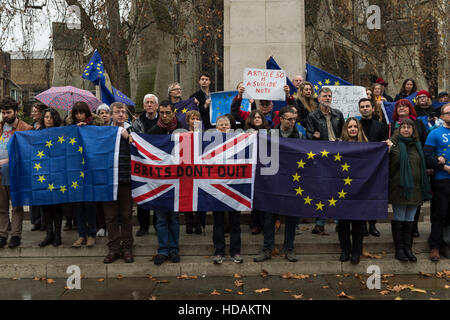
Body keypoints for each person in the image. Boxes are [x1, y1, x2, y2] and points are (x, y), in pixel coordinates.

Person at [254, 107, 303, 263]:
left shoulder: (299, 136)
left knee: (291, 218)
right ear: (281, 119)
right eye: (289, 119)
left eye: (294, 119)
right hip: (273, 183)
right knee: (269, 218)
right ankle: (267, 248)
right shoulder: (270, 135)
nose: (292, 122)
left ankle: (289, 248)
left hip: (292, 182)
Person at [385, 118, 431, 262]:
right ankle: (399, 249)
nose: (406, 129)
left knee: (410, 219)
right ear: (399, 129)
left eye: (409, 127)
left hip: (415, 188)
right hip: (399, 187)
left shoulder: (417, 145)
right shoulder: (393, 143)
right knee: (400, 218)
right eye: (403, 127)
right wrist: (387, 148)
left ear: (413, 130)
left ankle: (408, 248)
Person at [150, 100, 184, 265]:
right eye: (161, 112)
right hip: (160, 181)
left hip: (178, 181)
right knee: (161, 218)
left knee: (174, 218)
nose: (164, 116)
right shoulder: (153, 131)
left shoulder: (182, 129)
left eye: (167, 112)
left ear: (173, 113)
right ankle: (163, 250)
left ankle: (174, 249)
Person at [306, 87, 344, 234]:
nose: (327, 98)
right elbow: (309, 136)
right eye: (324, 96)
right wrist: (313, 135)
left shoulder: (338, 114)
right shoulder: (312, 116)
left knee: (337, 190)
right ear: (319, 98)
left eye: (329, 96)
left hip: (337, 156)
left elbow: (344, 132)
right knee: (321, 190)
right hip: (321, 158)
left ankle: (338, 221)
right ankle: (320, 222)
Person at [103, 102, 134, 263]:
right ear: (111, 115)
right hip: (108, 181)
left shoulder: (133, 130)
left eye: (123, 112)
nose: (121, 114)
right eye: (117, 112)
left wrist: (127, 137)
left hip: (125, 180)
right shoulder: (104, 132)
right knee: (110, 217)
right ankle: (113, 248)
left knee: (126, 215)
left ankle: (127, 247)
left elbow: (139, 150)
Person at [0, 97, 33, 248]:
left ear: (16, 111)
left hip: (16, 175)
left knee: (17, 206)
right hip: (1, 176)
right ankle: (2, 234)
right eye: (3, 113)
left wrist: (8, 161)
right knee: (1, 207)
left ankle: (15, 235)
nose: (5, 115)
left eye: (8, 112)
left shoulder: (25, 128)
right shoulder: (0, 127)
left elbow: (28, 154)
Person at [211, 116, 244, 264]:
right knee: (218, 221)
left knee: (235, 221)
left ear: (231, 127)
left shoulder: (239, 141)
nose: (224, 127)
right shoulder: (209, 142)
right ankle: (219, 252)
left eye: (226, 125)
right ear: (215, 127)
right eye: (220, 125)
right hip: (216, 186)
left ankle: (235, 251)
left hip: (234, 186)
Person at [338, 117, 368, 264]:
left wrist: (385, 146)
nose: (353, 129)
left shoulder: (367, 146)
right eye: (350, 127)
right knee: (343, 223)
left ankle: (356, 251)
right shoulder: (338, 146)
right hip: (342, 190)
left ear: (359, 129)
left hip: (360, 190)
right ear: (345, 129)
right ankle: (345, 250)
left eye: (355, 126)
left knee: (358, 224)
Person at [69, 102, 99, 249]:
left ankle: (92, 234)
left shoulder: (95, 126)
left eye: (81, 113)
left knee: (90, 204)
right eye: (76, 113)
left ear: (87, 113)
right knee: (79, 204)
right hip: (75, 170)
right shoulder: (70, 128)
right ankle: (81, 234)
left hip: (91, 169)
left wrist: (87, 130)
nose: (79, 116)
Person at [424, 103, 450, 261]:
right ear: (442, 116)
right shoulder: (435, 133)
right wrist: (443, 166)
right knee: (439, 214)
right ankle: (434, 246)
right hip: (442, 180)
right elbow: (427, 156)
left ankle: (446, 244)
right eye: (449, 112)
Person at [358, 98, 387, 237]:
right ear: (359, 110)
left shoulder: (380, 126)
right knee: (362, 196)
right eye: (362, 106)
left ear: (372, 108)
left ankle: (373, 225)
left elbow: (383, 145)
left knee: (374, 196)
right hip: (359, 167)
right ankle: (362, 225)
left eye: (367, 106)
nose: (365, 108)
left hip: (376, 167)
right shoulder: (355, 125)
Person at [132, 94, 160, 237]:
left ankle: (157, 224)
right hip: (142, 164)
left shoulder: (162, 120)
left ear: (156, 106)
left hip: (158, 164)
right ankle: (143, 226)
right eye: (147, 103)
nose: (149, 105)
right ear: (144, 106)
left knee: (157, 193)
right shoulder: (137, 123)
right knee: (143, 194)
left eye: (152, 103)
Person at [36, 108, 64, 247]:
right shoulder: (37, 133)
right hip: (43, 174)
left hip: (58, 173)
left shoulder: (62, 133)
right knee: (46, 205)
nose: (48, 119)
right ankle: (49, 234)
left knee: (56, 206)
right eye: (46, 117)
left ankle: (58, 235)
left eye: (51, 117)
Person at [245, 110, 269, 235]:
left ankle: (265, 224)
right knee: (254, 197)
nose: (257, 119)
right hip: (252, 167)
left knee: (264, 196)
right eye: (255, 118)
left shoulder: (269, 132)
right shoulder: (245, 133)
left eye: (259, 117)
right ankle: (255, 224)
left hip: (266, 167)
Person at [183, 110, 205, 235]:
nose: (195, 120)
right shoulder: (182, 133)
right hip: (187, 169)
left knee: (199, 197)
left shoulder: (205, 135)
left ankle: (198, 223)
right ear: (188, 121)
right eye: (192, 118)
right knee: (187, 196)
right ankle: (188, 222)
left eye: (197, 118)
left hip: (200, 169)